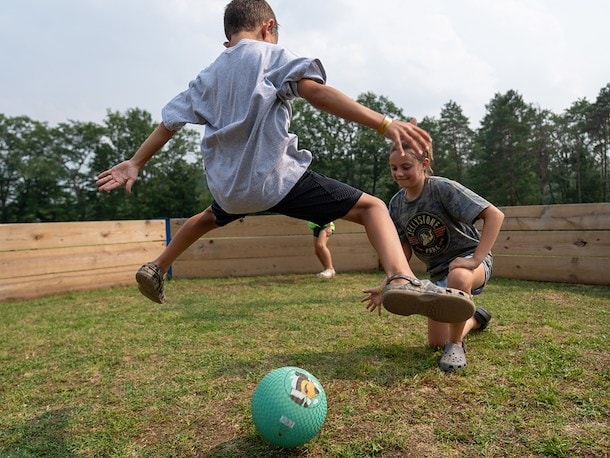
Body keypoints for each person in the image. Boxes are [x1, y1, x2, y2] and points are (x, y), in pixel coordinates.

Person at [96, 0, 475, 320]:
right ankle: (399, 277)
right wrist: (383, 122)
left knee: (206, 219)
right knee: (372, 208)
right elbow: (315, 92)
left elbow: (167, 124)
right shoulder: (271, 55)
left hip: (230, 189)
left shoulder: (207, 75)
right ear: (269, 27)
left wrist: (135, 163)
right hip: (275, 180)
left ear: (226, 40)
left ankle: (157, 266)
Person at [363, 142, 505, 372]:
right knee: (436, 343)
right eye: (393, 168)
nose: (399, 173)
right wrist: (386, 285)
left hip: (467, 263)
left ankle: (457, 345)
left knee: (457, 277)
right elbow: (402, 252)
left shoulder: (441, 188)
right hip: (439, 275)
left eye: (406, 166)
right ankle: (475, 319)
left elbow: (494, 215)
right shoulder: (397, 204)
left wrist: (476, 259)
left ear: (424, 164)